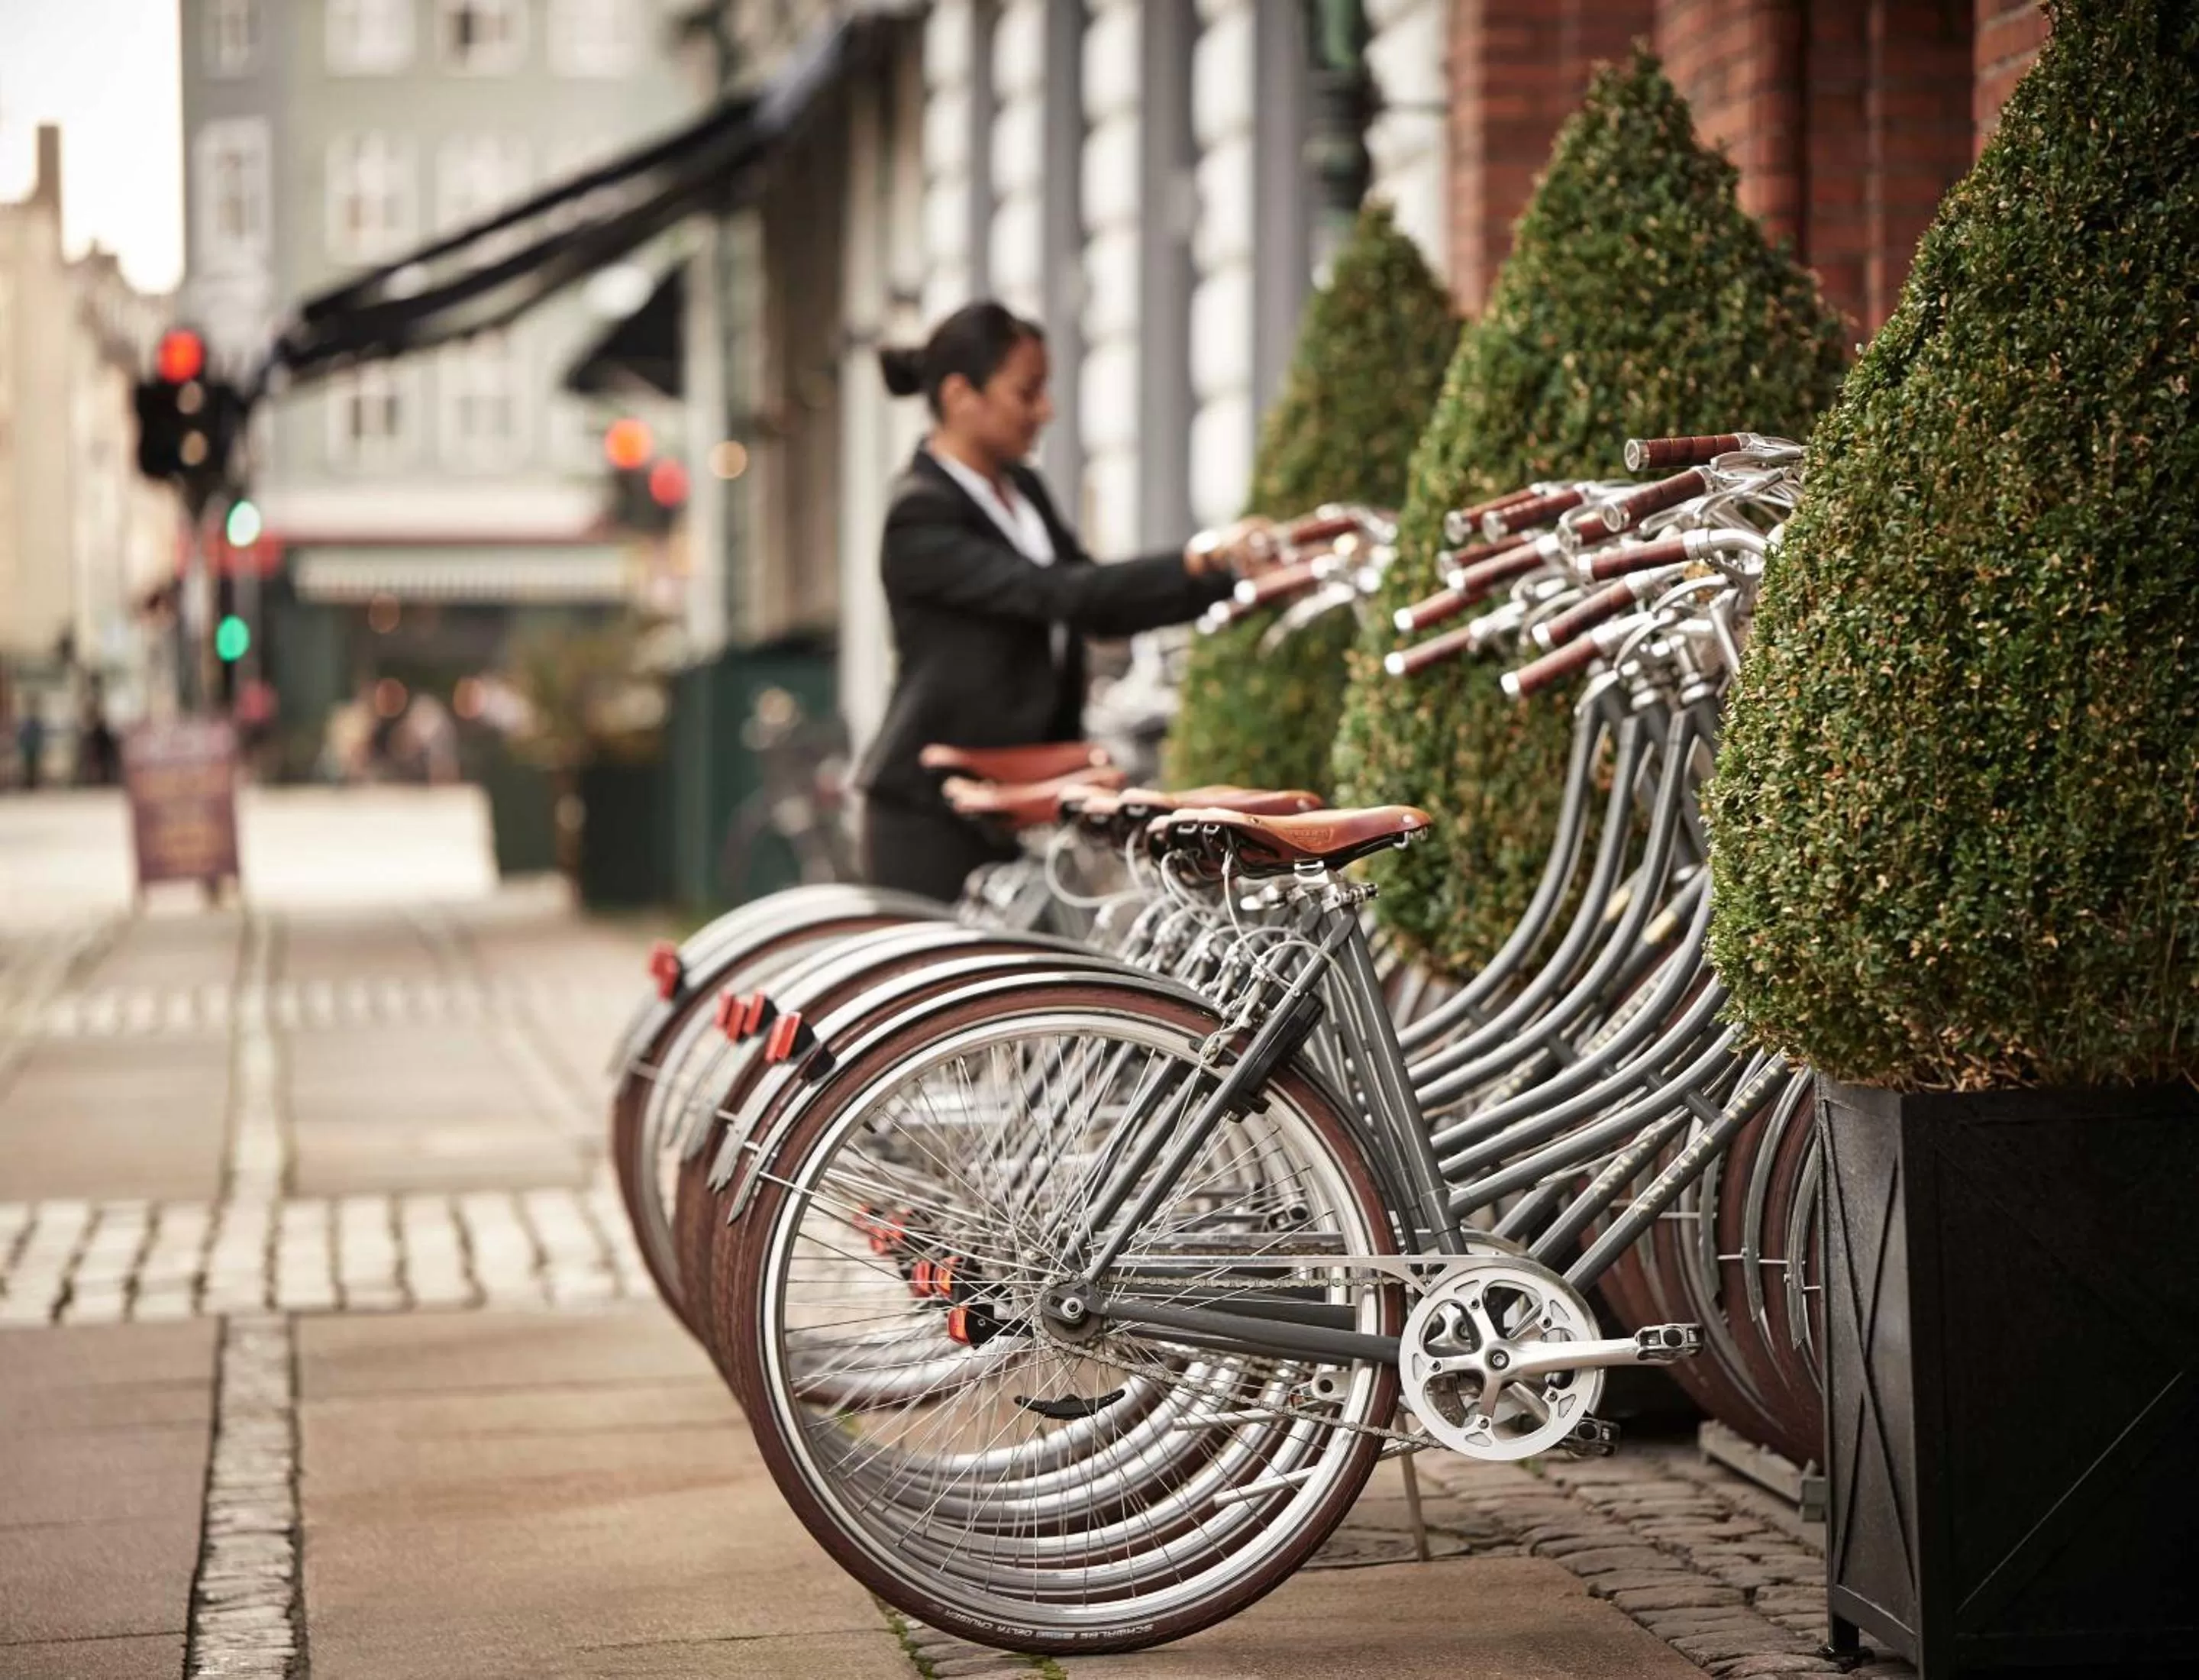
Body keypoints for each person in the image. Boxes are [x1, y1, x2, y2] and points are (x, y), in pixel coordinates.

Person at [854, 301, 1274, 901]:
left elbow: (1097, 606)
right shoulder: (920, 511)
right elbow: (1053, 593)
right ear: (959, 395)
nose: (1045, 411)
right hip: (933, 811)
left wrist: (1232, 582)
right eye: (1027, 393)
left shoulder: (1020, 489)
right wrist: (1197, 557)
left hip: (1026, 792)